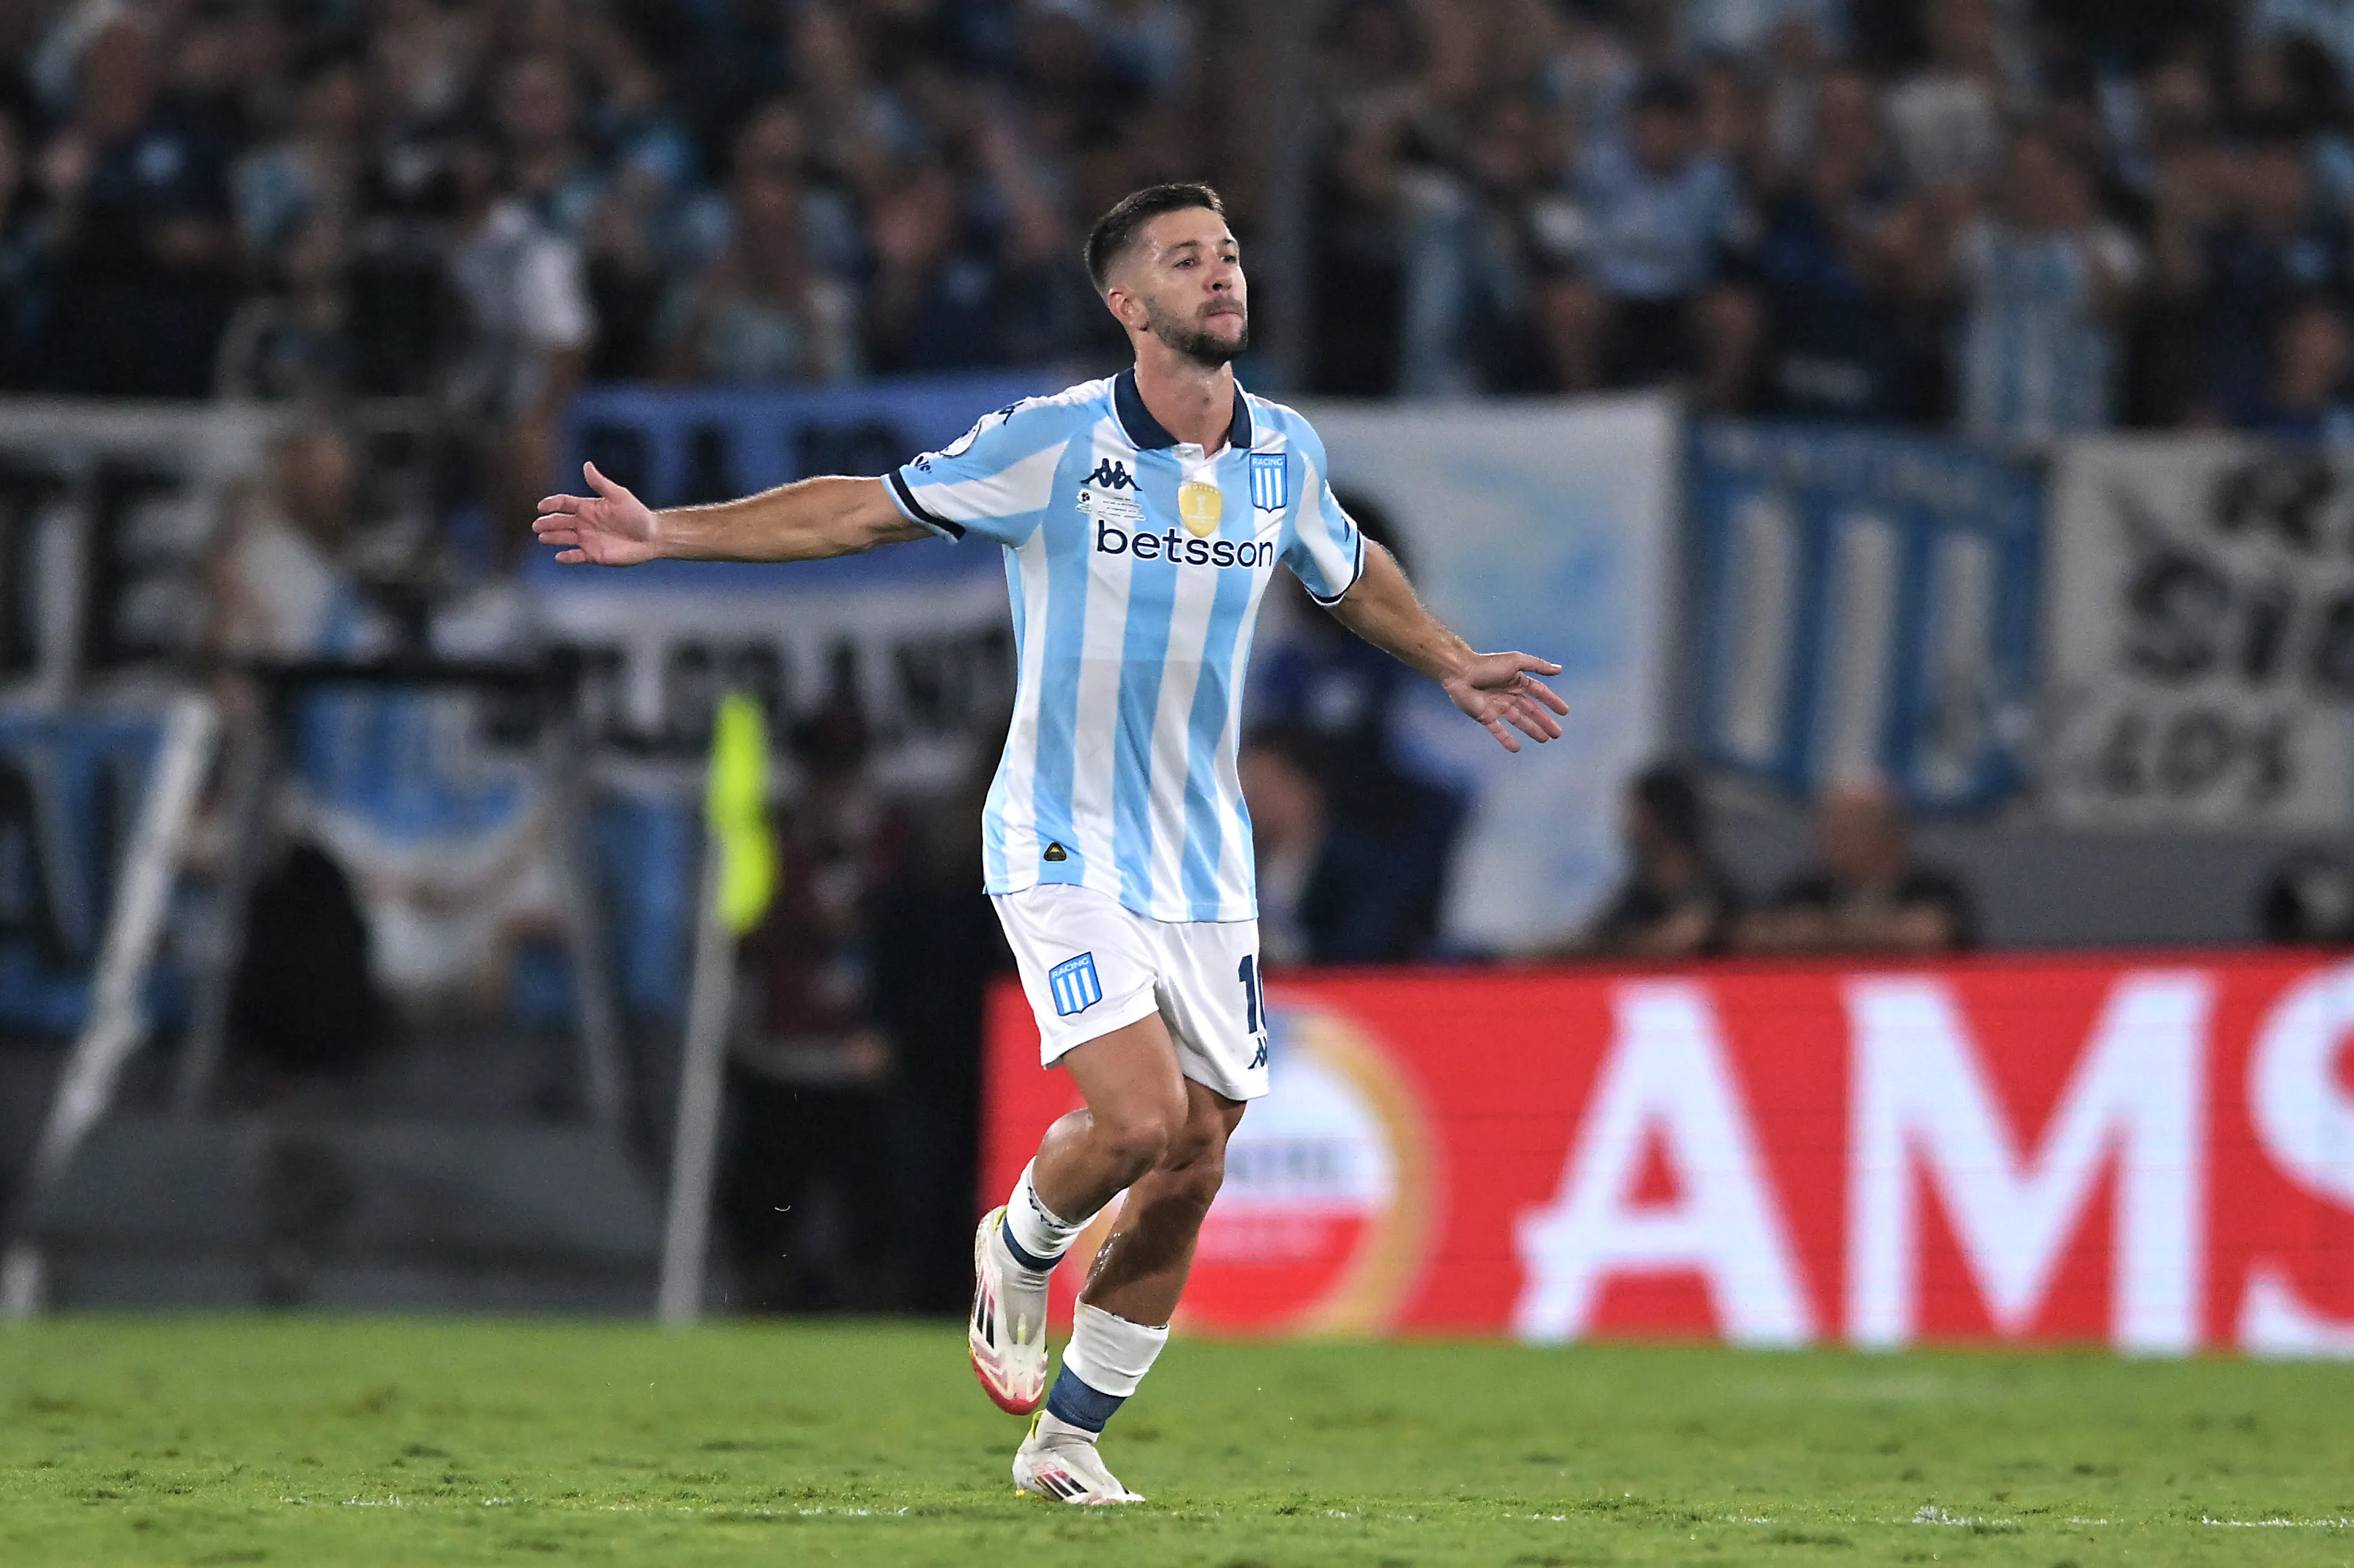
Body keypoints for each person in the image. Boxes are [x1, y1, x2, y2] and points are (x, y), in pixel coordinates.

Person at [534, 182, 1568, 1505]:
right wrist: (669, 532)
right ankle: (1018, 1246)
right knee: (1137, 1119)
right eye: (1187, 260)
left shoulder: (1283, 453)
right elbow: (862, 507)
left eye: (1231, 253)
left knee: (1196, 1158)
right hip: (1061, 838)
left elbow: (1346, 565)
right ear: (1127, 304)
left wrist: (1451, 659)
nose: (1223, 274)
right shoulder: (1055, 444)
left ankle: (1067, 1440)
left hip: (1208, 864)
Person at [1740, 774, 1974, 954]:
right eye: (1828, 830)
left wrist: (1827, 934)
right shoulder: (1806, 888)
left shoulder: (1934, 888)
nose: (1829, 842)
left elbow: (1927, 934)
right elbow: (1763, 934)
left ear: (1887, 834)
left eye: (1846, 831)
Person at [1563, 764, 1742, 957]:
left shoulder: (1719, 893)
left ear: (1664, 817)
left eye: (1640, 814)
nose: (1629, 825)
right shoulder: (1637, 898)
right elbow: (1599, 942)